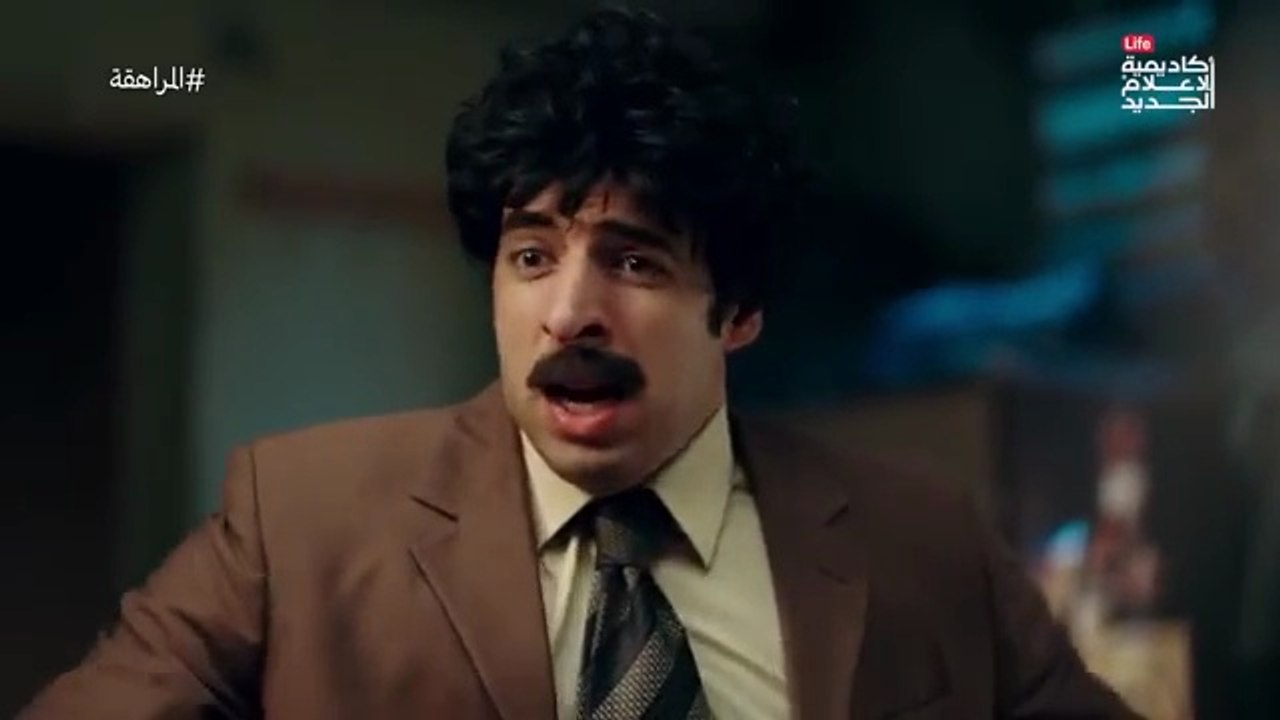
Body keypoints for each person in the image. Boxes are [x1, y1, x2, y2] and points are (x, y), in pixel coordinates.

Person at [22, 8, 1141, 719]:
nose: (568, 314)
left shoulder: (926, 544)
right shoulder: (296, 524)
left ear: (738, 311)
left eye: (634, 261)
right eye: (531, 256)